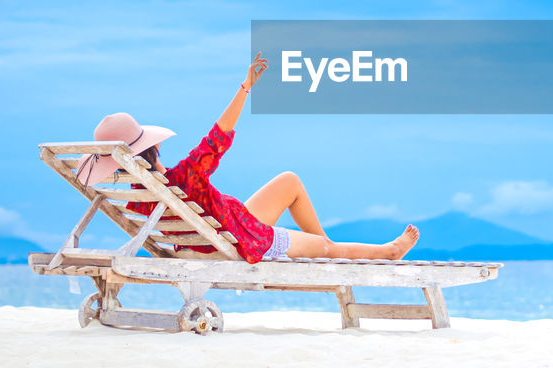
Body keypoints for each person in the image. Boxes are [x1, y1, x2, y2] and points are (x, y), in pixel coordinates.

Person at [75, 53, 420, 263]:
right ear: (154, 147)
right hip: (241, 239)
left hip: (229, 224)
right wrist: (245, 88)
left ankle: (325, 243)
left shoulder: (140, 199)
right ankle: (383, 251)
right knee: (324, 245)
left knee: (288, 181)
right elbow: (217, 137)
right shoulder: (182, 179)